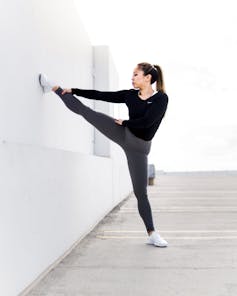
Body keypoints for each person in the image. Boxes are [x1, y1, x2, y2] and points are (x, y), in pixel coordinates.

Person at [39, 62, 169, 247]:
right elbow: (102, 95)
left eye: (135, 74)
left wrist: (124, 123)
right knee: (87, 112)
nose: (132, 78)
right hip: (124, 133)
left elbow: (147, 122)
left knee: (141, 193)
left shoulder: (161, 99)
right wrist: (74, 90)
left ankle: (152, 233)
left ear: (148, 78)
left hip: (138, 148)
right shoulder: (130, 95)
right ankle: (55, 88)